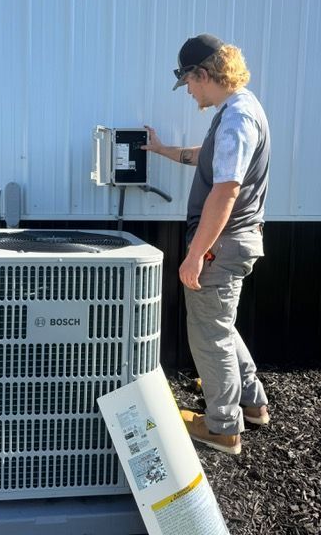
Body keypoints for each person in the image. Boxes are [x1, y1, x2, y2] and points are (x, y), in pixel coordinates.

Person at [143, 33, 270, 455]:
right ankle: (251, 405)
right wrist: (162, 151)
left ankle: (223, 428)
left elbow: (226, 189)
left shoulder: (236, 117)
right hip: (238, 240)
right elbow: (207, 156)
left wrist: (195, 254)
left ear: (202, 73)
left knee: (208, 333)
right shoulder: (240, 110)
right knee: (220, 324)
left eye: (190, 84)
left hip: (222, 243)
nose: (190, 93)